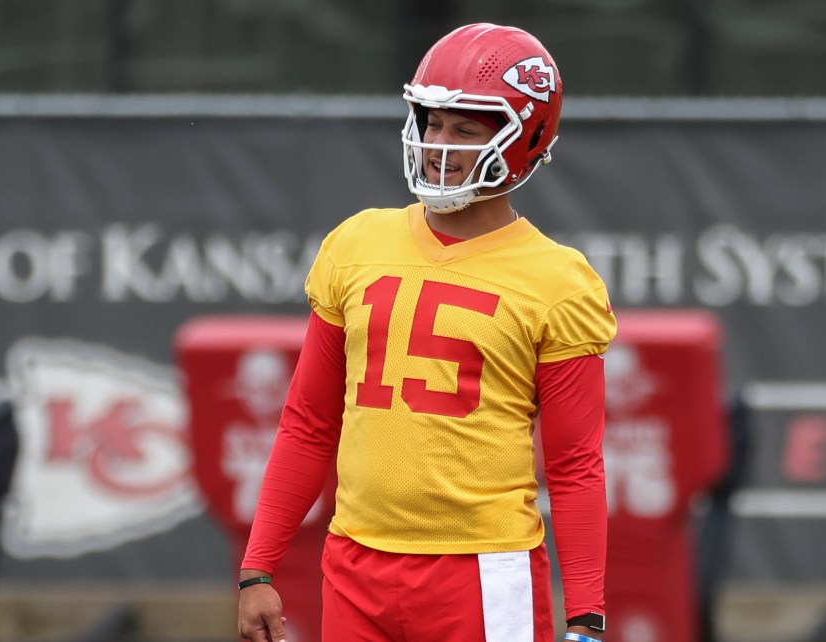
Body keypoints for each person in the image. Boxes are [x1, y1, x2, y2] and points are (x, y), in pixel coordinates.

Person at [237, 22, 617, 642]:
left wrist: (586, 617)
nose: (440, 143)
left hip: (484, 568)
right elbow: (308, 419)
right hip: (354, 559)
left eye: (466, 127)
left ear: (526, 136)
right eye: (431, 122)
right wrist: (259, 567)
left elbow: (576, 464)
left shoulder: (558, 278)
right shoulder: (358, 241)